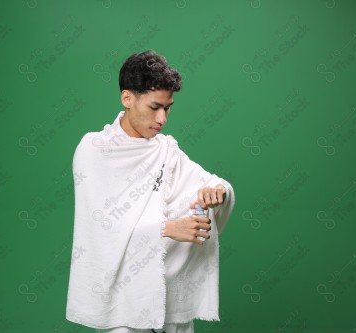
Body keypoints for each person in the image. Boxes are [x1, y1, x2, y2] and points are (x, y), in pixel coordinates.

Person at [66, 50, 235, 333]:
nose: (162, 118)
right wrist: (167, 228)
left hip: (170, 302)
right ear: (127, 98)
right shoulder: (94, 149)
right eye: (155, 107)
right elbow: (100, 227)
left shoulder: (167, 150)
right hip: (124, 304)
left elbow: (217, 185)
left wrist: (217, 192)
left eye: (167, 108)